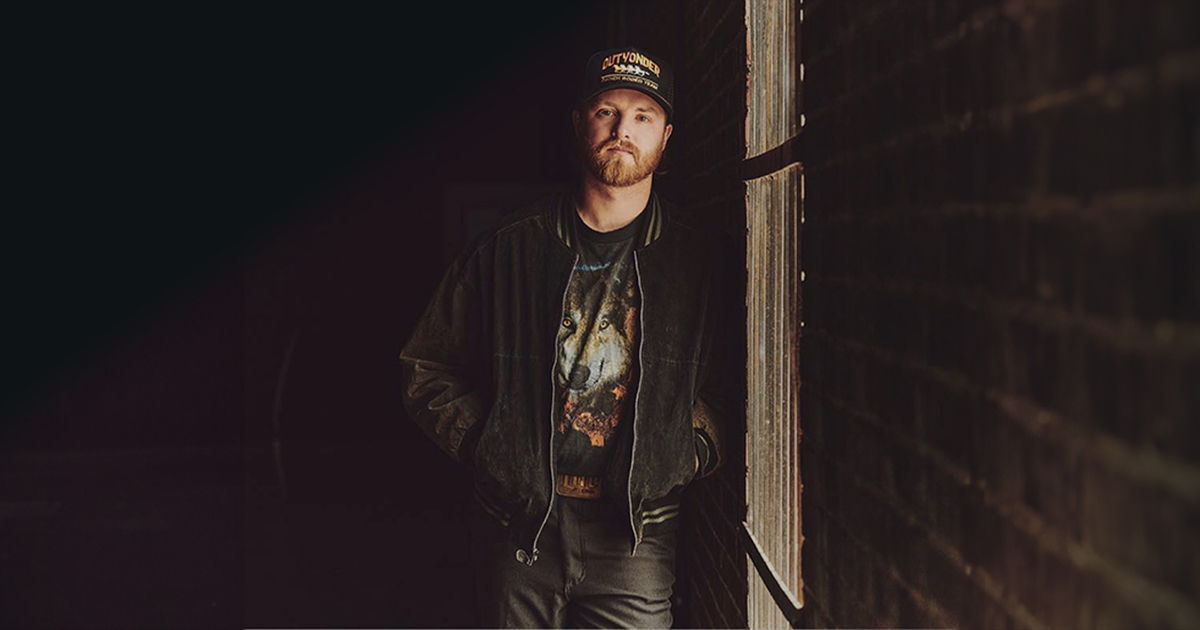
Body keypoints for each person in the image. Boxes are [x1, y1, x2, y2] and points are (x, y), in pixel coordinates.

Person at [399, 46, 741, 628]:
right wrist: (486, 444)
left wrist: (688, 452)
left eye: (642, 116)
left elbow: (741, 379)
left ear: (666, 137)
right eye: (607, 111)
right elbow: (425, 365)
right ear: (580, 122)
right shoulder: (507, 248)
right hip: (519, 525)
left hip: (636, 536)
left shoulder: (700, 260)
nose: (622, 130)